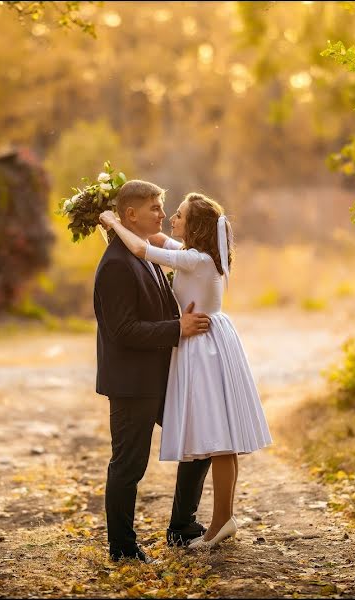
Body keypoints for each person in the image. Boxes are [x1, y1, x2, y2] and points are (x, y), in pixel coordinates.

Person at [99, 192, 272, 550]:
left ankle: (214, 520)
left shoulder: (195, 259)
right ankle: (149, 538)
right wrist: (120, 221)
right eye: (161, 210)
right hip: (191, 350)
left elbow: (147, 249)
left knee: (219, 438)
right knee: (210, 439)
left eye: (176, 214)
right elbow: (154, 241)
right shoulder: (191, 254)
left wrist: (114, 222)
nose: (168, 217)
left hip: (203, 349)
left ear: (195, 227)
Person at [93, 180, 215, 563]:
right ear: (131, 214)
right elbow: (122, 331)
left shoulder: (143, 254)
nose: (162, 215)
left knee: (200, 443)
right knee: (128, 464)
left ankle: (182, 528)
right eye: (154, 209)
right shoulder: (115, 264)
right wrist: (177, 329)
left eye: (163, 209)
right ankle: (123, 548)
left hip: (163, 376)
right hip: (133, 382)